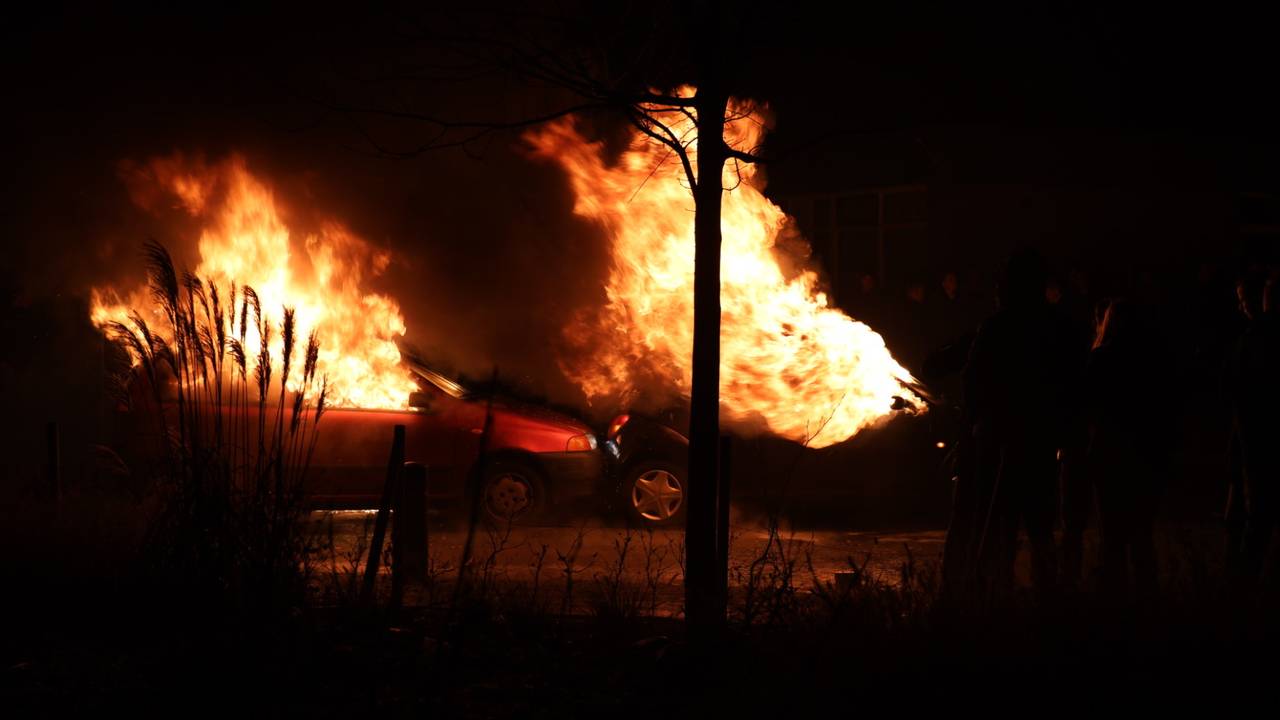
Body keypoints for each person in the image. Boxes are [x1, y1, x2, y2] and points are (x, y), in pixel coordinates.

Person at [958, 249, 1082, 600]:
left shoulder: (999, 327)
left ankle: (993, 599)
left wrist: (978, 420)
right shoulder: (1063, 326)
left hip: (1003, 444)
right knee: (1041, 525)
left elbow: (973, 381)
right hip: (1043, 442)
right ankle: (1049, 597)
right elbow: (1075, 384)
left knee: (1000, 525)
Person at [1084, 299, 1172, 601]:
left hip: (1109, 453)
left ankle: (1114, 601)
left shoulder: (1100, 359)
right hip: (1143, 453)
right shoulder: (1152, 361)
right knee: (1141, 534)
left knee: (1112, 536)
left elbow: (1085, 407)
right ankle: (1147, 598)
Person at [1224, 271, 1280, 587]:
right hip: (1256, 444)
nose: (1243, 307)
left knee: (1255, 523)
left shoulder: (1251, 341)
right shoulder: (1251, 339)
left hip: (1256, 447)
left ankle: (1243, 590)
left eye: (1246, 300)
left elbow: (1233, 393)